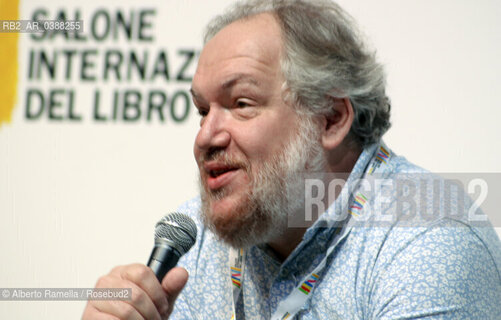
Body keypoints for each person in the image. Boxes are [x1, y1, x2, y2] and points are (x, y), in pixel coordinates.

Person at [83, 0, 501, 319]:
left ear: (331, 118)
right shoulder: (195, 243)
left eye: (241, 103)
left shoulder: (428, 241)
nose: (206, 136)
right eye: (202, 111)